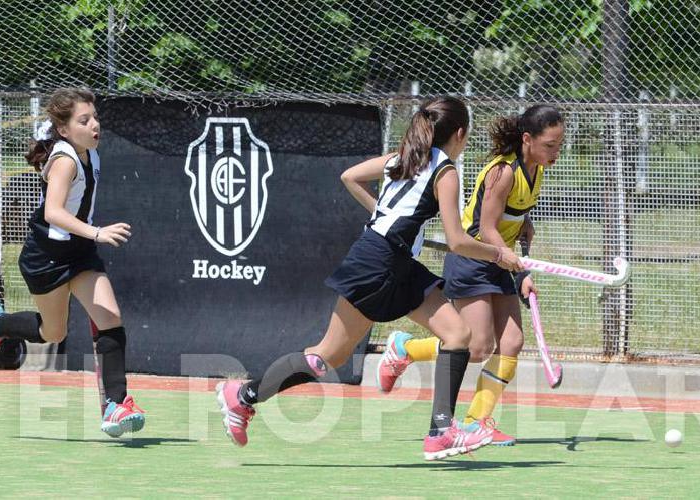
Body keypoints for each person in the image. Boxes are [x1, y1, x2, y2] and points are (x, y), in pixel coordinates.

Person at [214, 96, 523, 460]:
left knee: (457, 335)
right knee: (325, 356)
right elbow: (457, 241)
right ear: (459, 133)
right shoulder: (446, 171)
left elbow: (351, 176)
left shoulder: (404, 156)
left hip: (384, 257)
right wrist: (498, 254)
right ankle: (243, 396)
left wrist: (383, 213)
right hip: (381, 263)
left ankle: (441, 430)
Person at [377, 105, 565, 447]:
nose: (556, 152)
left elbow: (511, 216)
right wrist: (513, 261)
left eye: (559, 145)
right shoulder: (503, 172)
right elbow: (487, 227)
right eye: (550, 145)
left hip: (501, 258)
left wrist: (524, 233)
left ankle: (478, 420)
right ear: (528, 139)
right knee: (477, 347)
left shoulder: (535, 169)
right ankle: (404, 348)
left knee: (511, 342)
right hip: (474, 259)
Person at [0, 88, 146, 438]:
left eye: (95, 117)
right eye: (84, 121)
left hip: (79, 252)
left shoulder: (91, 153)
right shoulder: (66, 159)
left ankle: (115, 405)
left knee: (109, 315)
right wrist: (97, 233)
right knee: (53, 332)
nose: (94, 124)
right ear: (64, 130)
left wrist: (90, 238)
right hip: (46, 257)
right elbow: (53, 213)